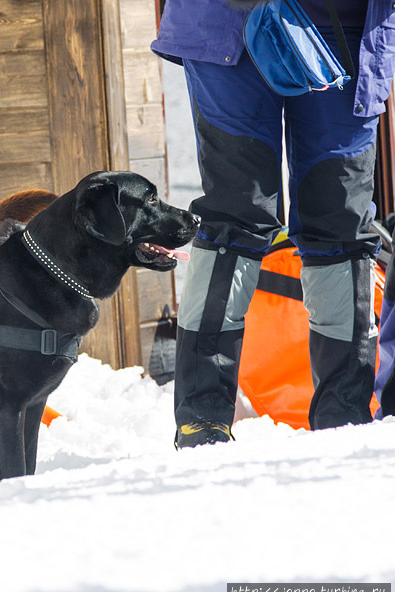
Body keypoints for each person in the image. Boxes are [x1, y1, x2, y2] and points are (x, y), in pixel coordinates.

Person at [151, 0, 395, 447]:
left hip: (347, 29)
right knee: (234, 218)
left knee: (341, 226)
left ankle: (344, 418)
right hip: (229, 21)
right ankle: (202, 418)